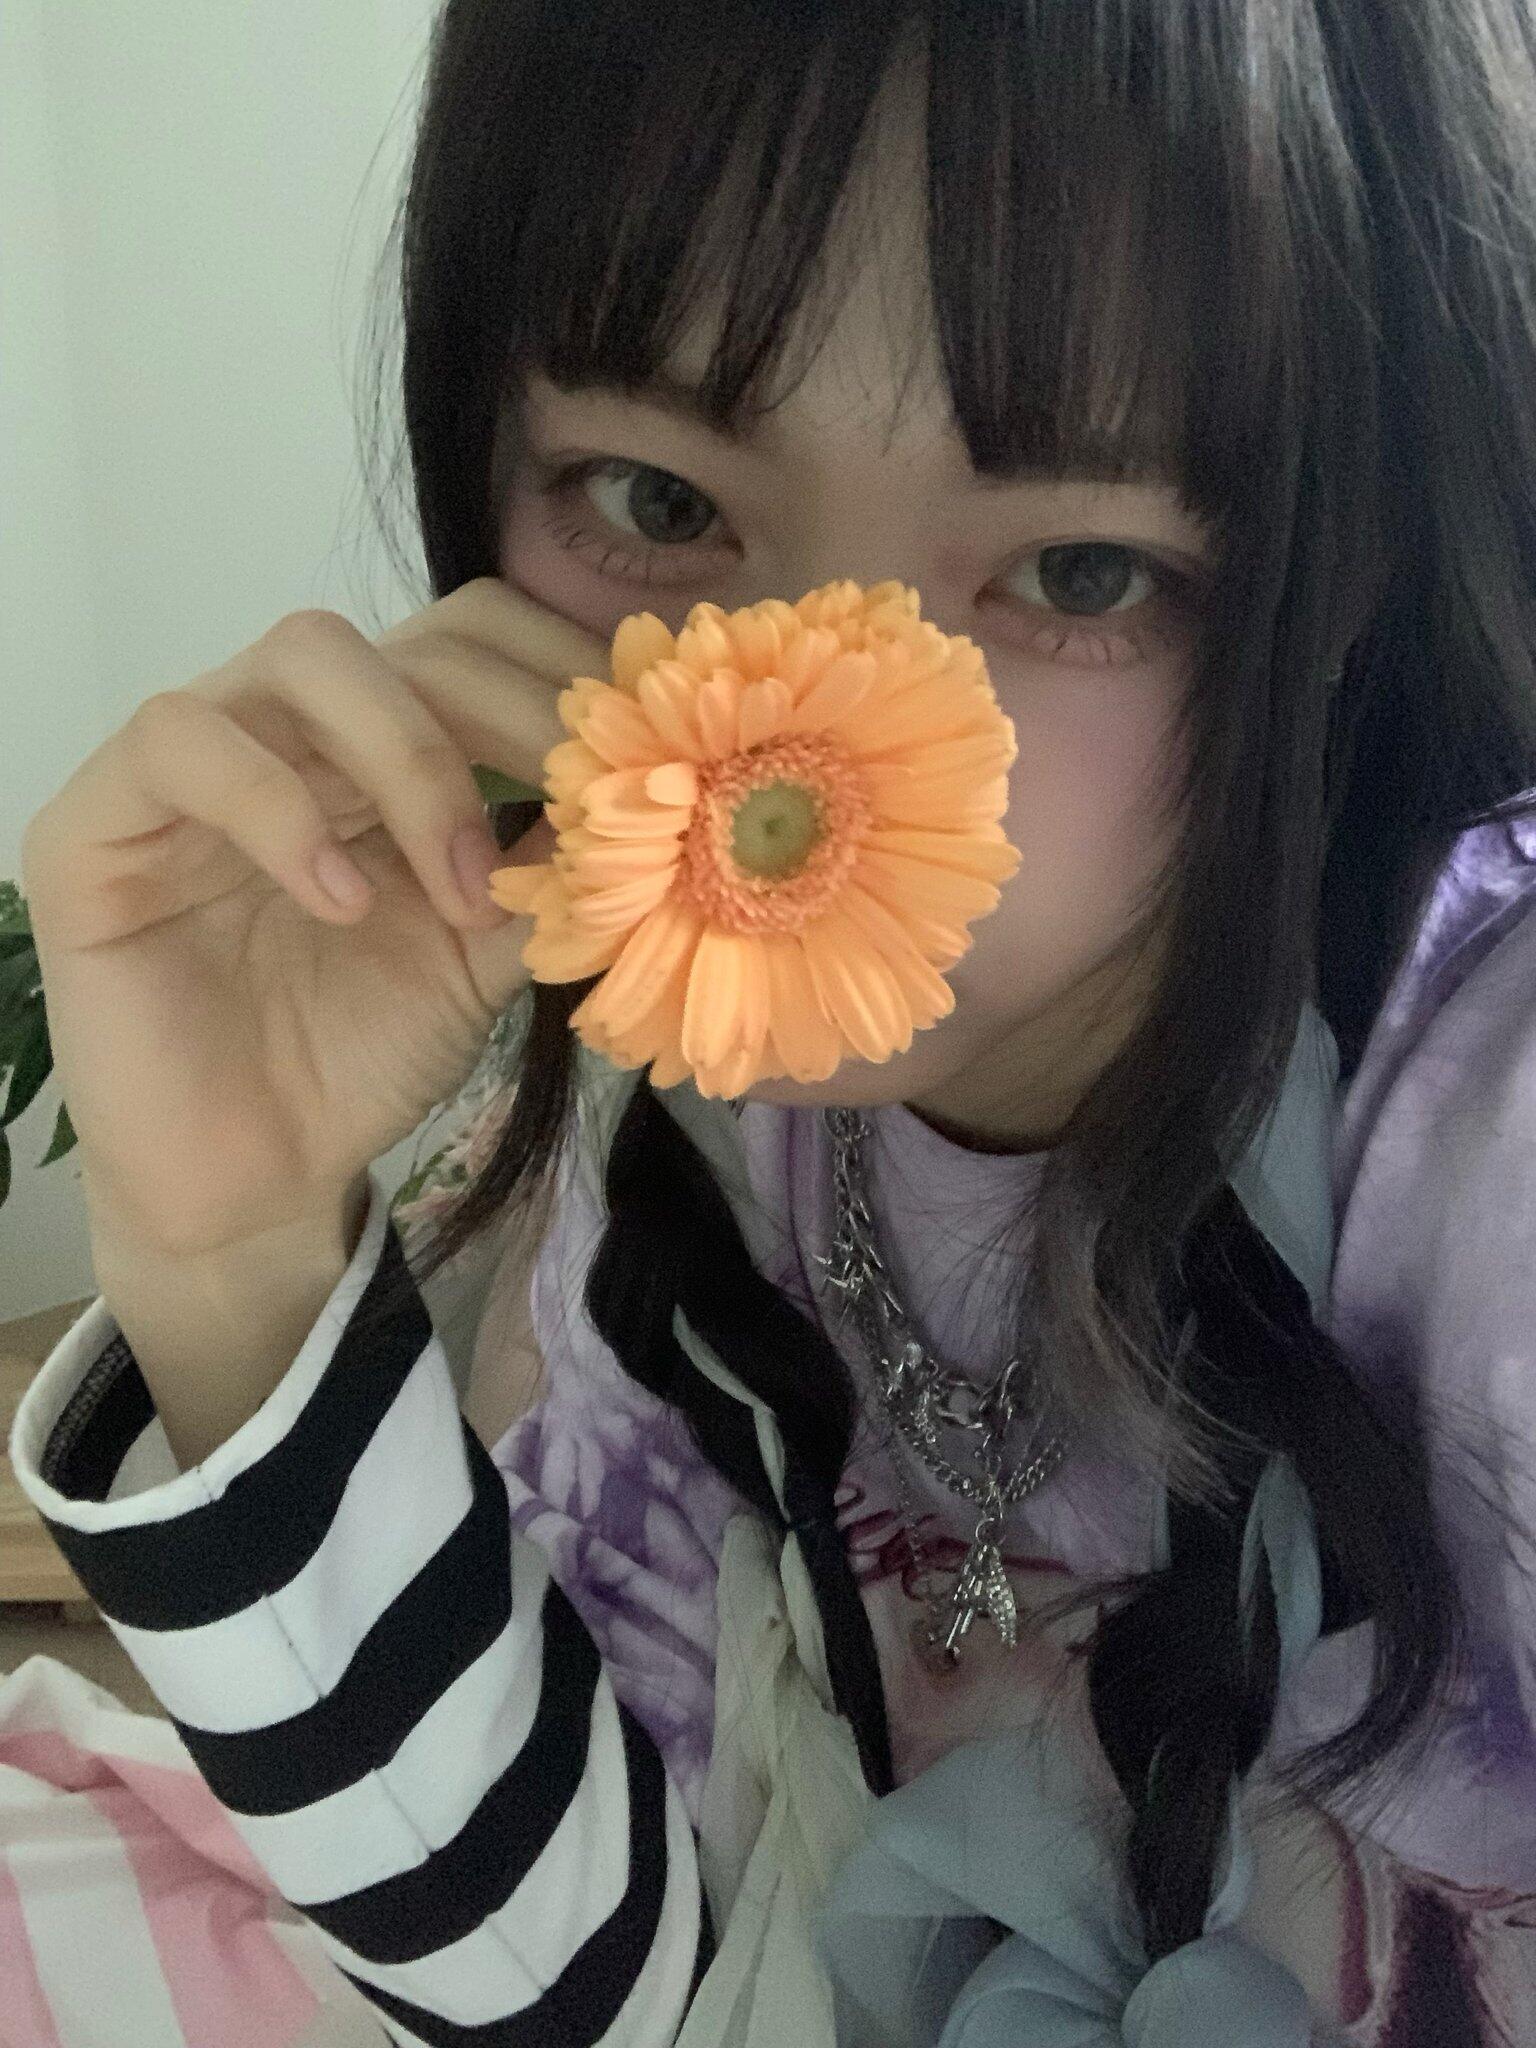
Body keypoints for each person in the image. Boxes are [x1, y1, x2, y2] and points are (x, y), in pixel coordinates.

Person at [12, 1, 1536, 2040]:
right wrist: (226, 1254)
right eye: (657, 506)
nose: (800, 742)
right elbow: (607, 1993)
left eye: (1082, 569)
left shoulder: (1487, 1159)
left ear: (1345, 578)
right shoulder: (695, 1130)